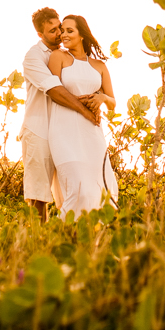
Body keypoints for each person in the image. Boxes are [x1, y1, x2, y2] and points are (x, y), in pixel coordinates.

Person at [20, 7, 101, 222]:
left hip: (63, 130)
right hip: (39, 130)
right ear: (40, 34)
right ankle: (38, 240)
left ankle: (69, 235)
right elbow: (55, 90)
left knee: (71, 188)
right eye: (52, 31)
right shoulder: (33, 57)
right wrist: (85, 111)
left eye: (60, 28)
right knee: (39, 195)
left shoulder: (65, 55)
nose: (59, 34)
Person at [47, 14, 119, 217]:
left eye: (70, 30)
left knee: (101, 192)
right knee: (79, 190)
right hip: (64, 130)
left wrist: (101, 98)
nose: (64, 34)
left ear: (82, 35)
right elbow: (54, 93)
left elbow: (113, 103)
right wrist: (83, 106)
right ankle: (61, 236)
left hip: (92, 134)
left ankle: (95, 241)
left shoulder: (99, 66)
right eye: (63, 30)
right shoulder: (58, 57)